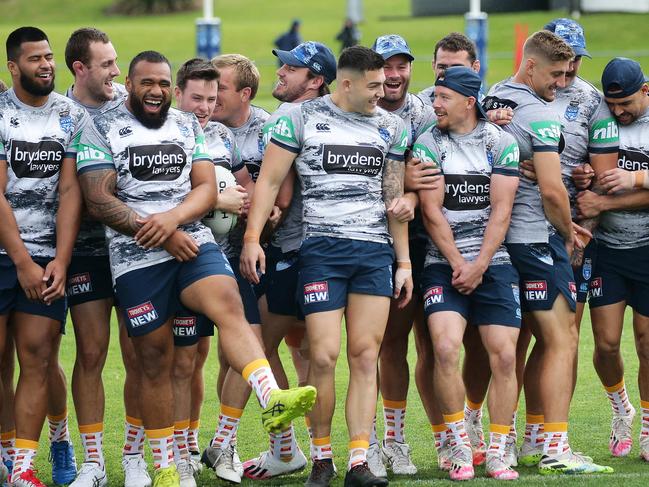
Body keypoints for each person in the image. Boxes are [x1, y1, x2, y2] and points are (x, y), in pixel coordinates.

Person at [75, 49, 316, 487]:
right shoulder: (100, 127)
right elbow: (98, 198)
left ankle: (273, 396)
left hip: (195, 243)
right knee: (153, 359)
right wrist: (163, 229)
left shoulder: (188, 126)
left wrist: (174, 218)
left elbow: (207, 186)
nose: (156, 91)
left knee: (230, 306)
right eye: (147, 82)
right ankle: (165, 465)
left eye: (163, 83)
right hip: (136, 258)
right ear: (129, 84)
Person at [241, 45, 412, 487]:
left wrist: (404, 261)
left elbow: (394, 199)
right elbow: (270, 182)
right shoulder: (298, 119)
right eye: (373, 85)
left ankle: (358, 461)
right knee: (322, 354)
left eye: (384, 84)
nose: (383, 91)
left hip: (373, 253)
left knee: (364, 355)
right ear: (348, 83)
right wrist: (252, 239)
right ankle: (321, 458)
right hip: (321, 251)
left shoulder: (392, 127)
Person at [487, 30, 611, 475]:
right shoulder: (538, 113)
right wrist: (569, 232)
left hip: (499, 242)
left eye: (567, 74)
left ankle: (504, 444)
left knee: (510, 347)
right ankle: (556, 447)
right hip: (535, 239)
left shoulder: (495, 98)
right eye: (556, 74)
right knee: (563, 339)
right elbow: (553, 191)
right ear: (532, 65)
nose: (562, 84)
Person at [417, 66, 521, 481]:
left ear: (468, 101)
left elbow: (502, 210)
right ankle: (458, 443)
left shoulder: (501, 143)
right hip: (443, 264)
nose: (435, 103)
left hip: (493, 263)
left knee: (506, 355)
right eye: (435, 96)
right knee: (444, 349)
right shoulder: (428, 143)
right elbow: (431, 211)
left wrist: (479, 263)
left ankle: (497, 449)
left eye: (442, 97)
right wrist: (460, 263)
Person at [240, 40, 337, 482]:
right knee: (311, 355)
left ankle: (289, 450)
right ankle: (343, 448)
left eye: (292, 68)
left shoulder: (289, 117)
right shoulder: (319, 114)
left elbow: (280, 191)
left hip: (294, 252)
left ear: (315, 80)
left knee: (256, 345)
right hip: (311, 252)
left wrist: (255, 231)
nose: (281, 71)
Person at [0, 26, 89, 487]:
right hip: (6, 255)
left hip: (47, 255)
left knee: (37, 353)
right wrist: (21, 262)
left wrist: (59, 258)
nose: (46, 65)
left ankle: (25, 467)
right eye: (35, 59)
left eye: (49, 57)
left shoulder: (70, 115)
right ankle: (7, 447)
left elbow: (72, 189)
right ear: (14, 67)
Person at [62, 27, 129, 487]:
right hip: (84, 252)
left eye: (116, 62)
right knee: (89, 352)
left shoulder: (131, 102)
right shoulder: (59, 113)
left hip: (134, 249)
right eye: (106, 65)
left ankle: (137, 455)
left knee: (143, 354)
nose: (116, 73)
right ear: (79, 68)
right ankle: (92, 461)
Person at [574, 57, 649, 463]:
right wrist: (584, 175)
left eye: (627, 105)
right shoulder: (600, 120)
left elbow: (623, 185)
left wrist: (631, 180)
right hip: (607, 249)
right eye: (612, 105)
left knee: (647, 342)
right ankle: (621, 408)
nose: (618, 112)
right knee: (604, 344)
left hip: (647, 248)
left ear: (645, 90)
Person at [368, 33, 436, 477]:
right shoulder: (360, 109)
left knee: (426, 343)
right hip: (365, 238)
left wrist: (410, 191)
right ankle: (374, 440)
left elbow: (431, 172)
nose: (394, 76)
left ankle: (398, 439)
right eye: (386, 67)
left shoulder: (425, 114)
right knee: (377, 345)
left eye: (401, 66)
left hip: (420, 241)